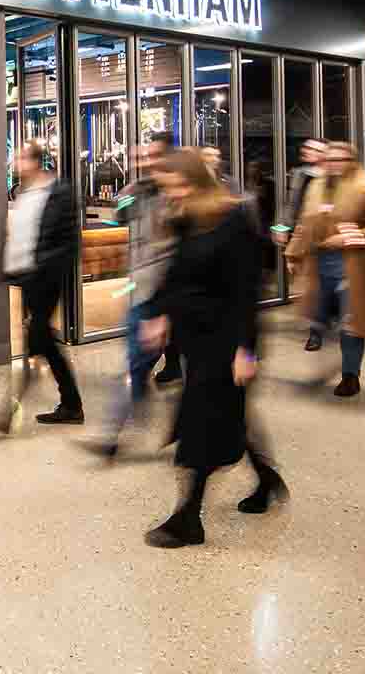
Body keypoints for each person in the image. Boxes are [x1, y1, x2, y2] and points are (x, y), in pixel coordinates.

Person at [140, 149, 282, 548]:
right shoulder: (186, 218)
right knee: (226, 413)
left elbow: (246, 291)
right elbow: (177, 274)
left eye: (178, 186)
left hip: (227, 339)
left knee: (200, 424)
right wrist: (160, 315)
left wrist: (245, 350)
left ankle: (188, 517)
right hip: (195, 337)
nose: (173, 195)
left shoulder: (235, 221)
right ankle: (267, 480)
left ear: (196, 182)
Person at [0, 141, 84, 429]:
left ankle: (9, 410)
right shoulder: (23, 193)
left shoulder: (59, 193)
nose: (14, 163)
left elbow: (68, 243)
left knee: (38, 338)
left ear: (34, 161)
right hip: (27, 277)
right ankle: (70, 403)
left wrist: (44, 268)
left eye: (19, 158)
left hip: (45, 278)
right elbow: (20, 235)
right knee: (42, 342)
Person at [284, 141, 365, 396]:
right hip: (319, 262)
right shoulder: (316, 187)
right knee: (320, 317)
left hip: (352, 263)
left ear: (352, 161)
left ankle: (350, 374)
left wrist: (349, 237)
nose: (333, 164)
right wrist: (292, 253)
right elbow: (304, 223)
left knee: (351, 322)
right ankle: (334, 359)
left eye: (340, 159)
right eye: (329, 159)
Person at [94, 132, 176, 454]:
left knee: (203, 372)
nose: (148, 161)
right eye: (144, 157)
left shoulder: (181, 195)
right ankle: (112, 432)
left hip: (173, 295)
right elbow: (119, 214)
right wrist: (131, 186)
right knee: (136, 363)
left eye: (154, 156)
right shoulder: (138, 193)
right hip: (144, 292)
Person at [275, 139, 326, 246]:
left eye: (315, 150)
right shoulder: (299, 173)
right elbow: (289, 204)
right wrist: (280, 228)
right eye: (307, 148)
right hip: (298, 233)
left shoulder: (332, 177)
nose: (307, 151)